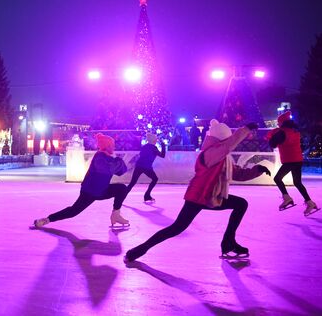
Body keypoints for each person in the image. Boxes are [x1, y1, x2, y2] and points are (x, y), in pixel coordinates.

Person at [124, 120, 271, 263]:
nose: (227, 143)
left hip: (212, 196)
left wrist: (257, 170)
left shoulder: (223, 157)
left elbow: (237, 173)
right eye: (226, 139)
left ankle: (228, 243)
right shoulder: (209, 153)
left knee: (240, 204)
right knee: (176, 228)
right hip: (198, 196)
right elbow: (226, 147)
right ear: (219, 140)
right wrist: (244, 130)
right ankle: (139, 250)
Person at [33, 133, 130, 228]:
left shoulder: (107, 158)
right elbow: (110, 168)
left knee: (121, 188)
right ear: (107, 146)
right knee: (73, 211)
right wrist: (117, 161)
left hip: (101, 190)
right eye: (112, 145)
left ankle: (116, 215)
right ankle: (47, 219)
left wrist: (116, 161)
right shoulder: (100, 157)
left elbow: (120, 170)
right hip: (90, 192)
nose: (114, 147)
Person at [267, 111, 319, 216]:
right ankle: (310, 202)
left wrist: (271, 137)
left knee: (277, 178)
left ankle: (287, 198)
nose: (278, 124)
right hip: (298, 160)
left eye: (279, 122)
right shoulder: (295, 131)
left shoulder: (282, 133)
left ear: (282, 122)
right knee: (297, 182)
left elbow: (273, 144)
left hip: (289, 160)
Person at [127, 133, 166, 203]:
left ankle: (121, 196)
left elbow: (141, 156)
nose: (156, 140)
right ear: (153, 140)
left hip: (139, 166)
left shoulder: (144, 146)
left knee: (132, 183)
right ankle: (147, 195)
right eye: (156, 139)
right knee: (155, 179)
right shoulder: (154, 148)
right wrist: (163, 145)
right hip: (146, 167)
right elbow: (163, 155)